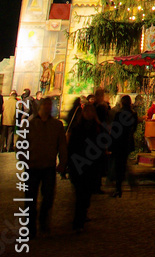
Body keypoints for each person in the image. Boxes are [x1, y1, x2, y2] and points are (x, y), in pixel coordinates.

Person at [27, 96, 67, 238]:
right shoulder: (31, 124)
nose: (48, 107)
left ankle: (43, 222)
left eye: (50, 105)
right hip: (32, 166)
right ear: (40, 106)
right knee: (30, 198)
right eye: (46, 104)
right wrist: (23, 158)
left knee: (48, 196)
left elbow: (62, 145)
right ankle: (30, 227)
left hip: (49, 166)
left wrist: (62, 162)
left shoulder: (56, 125)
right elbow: (22, 143)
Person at [67, 103, 101, 231]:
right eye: (87, 112)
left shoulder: (97, 128)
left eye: (91, 111)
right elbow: (71, 147)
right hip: (79, 164)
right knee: (80, 193)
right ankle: (78, 222)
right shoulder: (77, 128)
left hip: (91, 165)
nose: (89, 114)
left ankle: (82, 215)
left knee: (86, 194)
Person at [110, 95, 138, 197]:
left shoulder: (119, 114)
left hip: (119, 142)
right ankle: (129, 183)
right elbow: (134, 128)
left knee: (119, 165)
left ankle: (118, 187)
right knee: (124, 163)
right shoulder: (133, 114)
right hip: (127, 142)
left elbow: (114, 129)